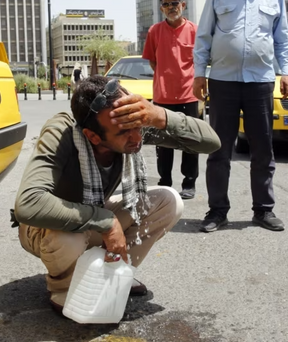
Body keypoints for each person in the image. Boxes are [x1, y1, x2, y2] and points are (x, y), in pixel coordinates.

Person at [13, 76, 220, 315]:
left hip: (92, 212)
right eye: (125, 133)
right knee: (69, 237)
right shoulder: (62, 133)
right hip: (45, 227)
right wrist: (107, 222)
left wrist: (158, 115)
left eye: (139, 125)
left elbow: (211, 142)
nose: (137, 137)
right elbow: (28, 204)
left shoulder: (128, 125)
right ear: (93, 136)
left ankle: (115, 272)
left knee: (168, 201)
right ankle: (64, 287)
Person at [192, 0, 288, 233]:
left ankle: (263, 210)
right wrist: (200, 72)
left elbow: (282, 40)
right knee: (218, 150)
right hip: (222, 82)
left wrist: (286, 71)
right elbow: (204, 37)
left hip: (260, 82)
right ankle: (217, 211)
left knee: (262, 150)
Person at [142, 0, 200, 200]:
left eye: (174, 3)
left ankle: (189, 183)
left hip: (189, 95)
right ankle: (165, 181)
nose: (171, 7)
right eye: (166, 4)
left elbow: (201, 60)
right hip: (163, 97)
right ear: (161, 8)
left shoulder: (194, 30)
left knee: (190, 141)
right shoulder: (154, 32)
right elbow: (152, 61)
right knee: (163, 142)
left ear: (183, 5)